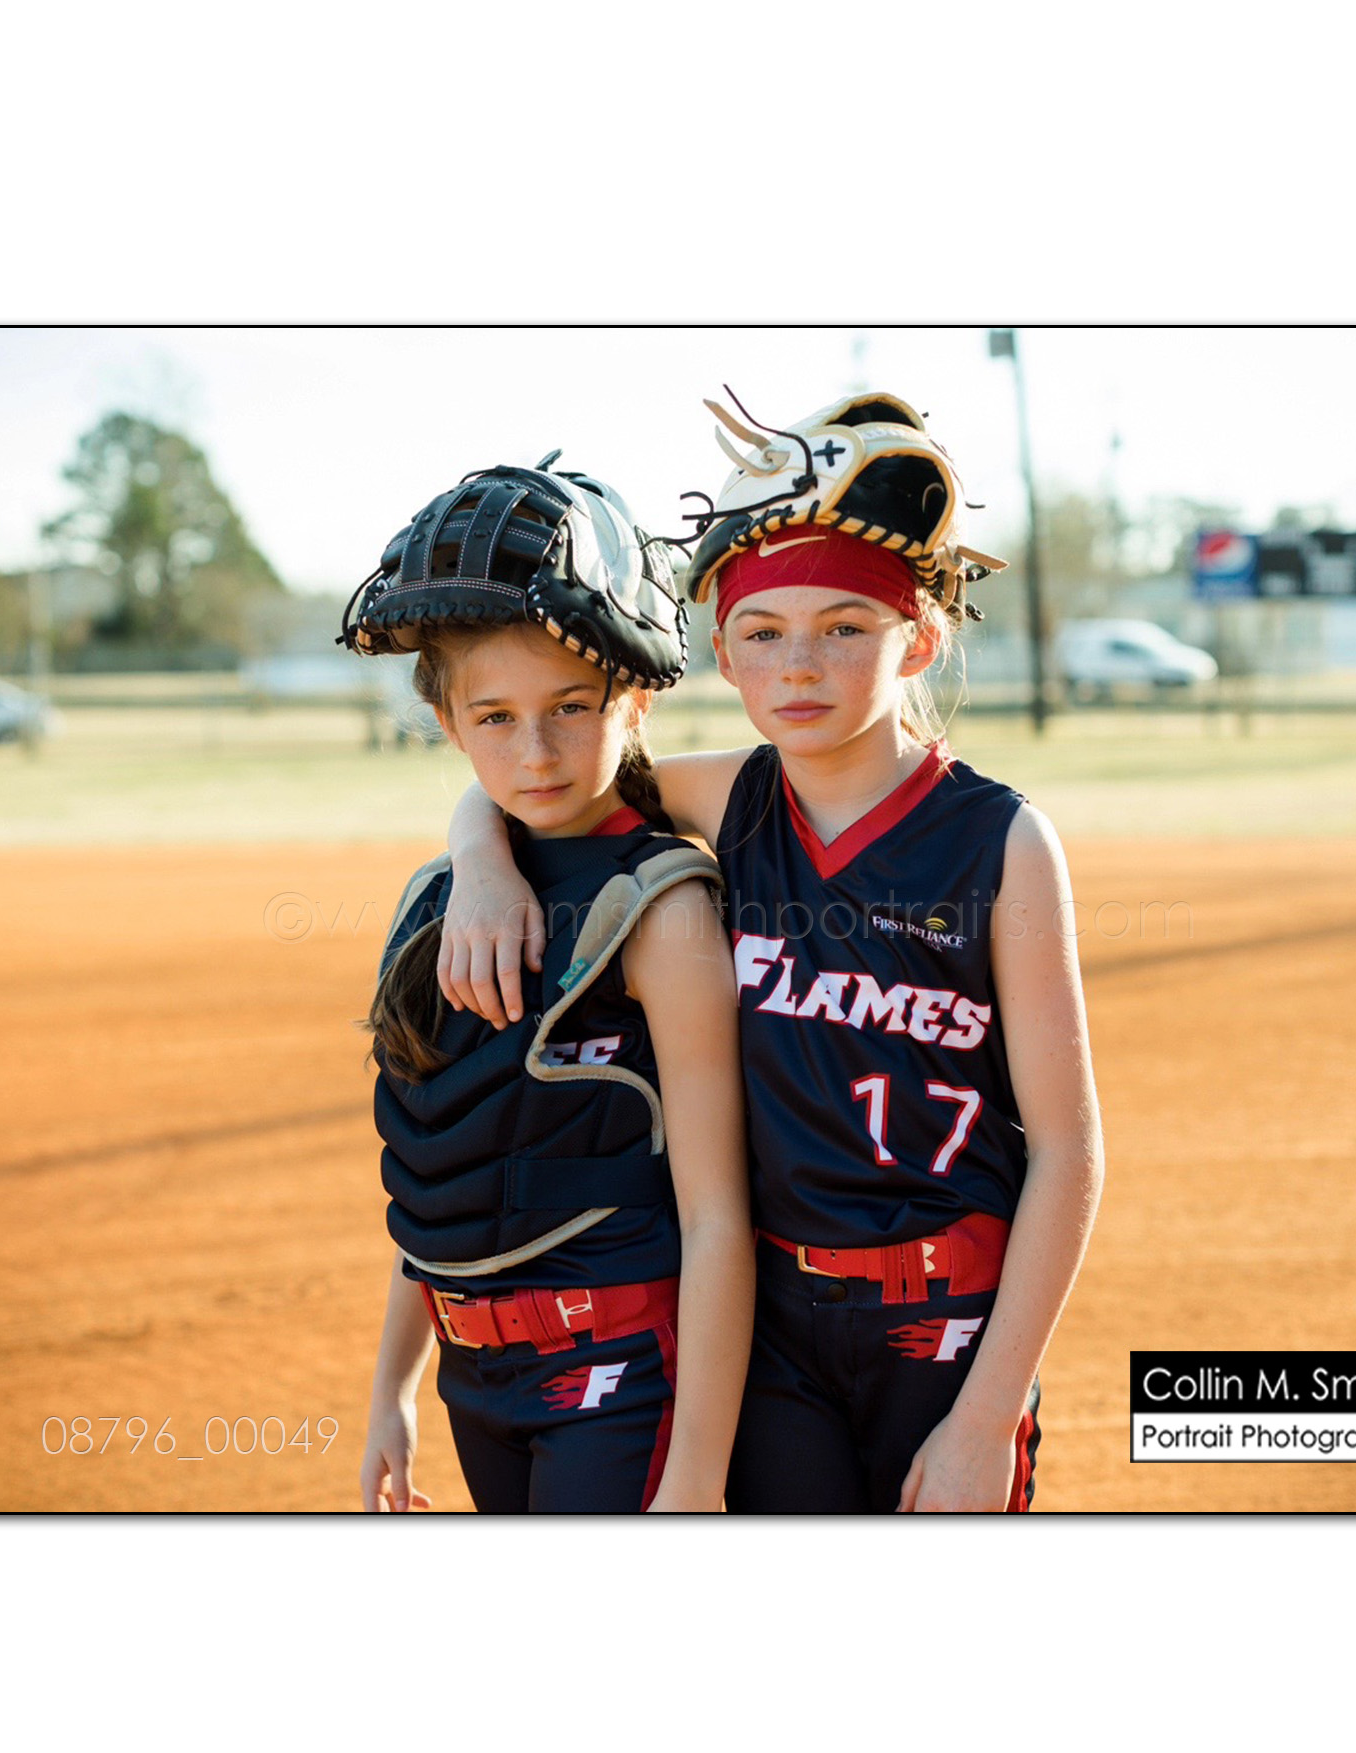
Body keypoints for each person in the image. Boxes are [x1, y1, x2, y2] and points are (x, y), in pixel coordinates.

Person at [437, 394, 1104, 1513]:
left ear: (917, 640)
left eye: (844, 627)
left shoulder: (999, 840)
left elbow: (1070, 1151)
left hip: (945, 1323)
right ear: (723, 654)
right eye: (761, 633)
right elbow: (532, 784)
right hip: (774, 1333)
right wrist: (480, 860)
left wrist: (986, 1418)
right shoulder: (732, 798)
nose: (798, 666)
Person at [350, 456, 753, 1513]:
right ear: (448, 724)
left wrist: (696, 1476)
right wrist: (391, 1387)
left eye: (572, 706)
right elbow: (448, 1165)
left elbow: (717, 1215)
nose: (535, 752)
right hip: (470, 1376)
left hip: (617, 1370)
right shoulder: (436, 896)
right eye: (493, 717)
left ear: (635, 700)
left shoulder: (661, 906)